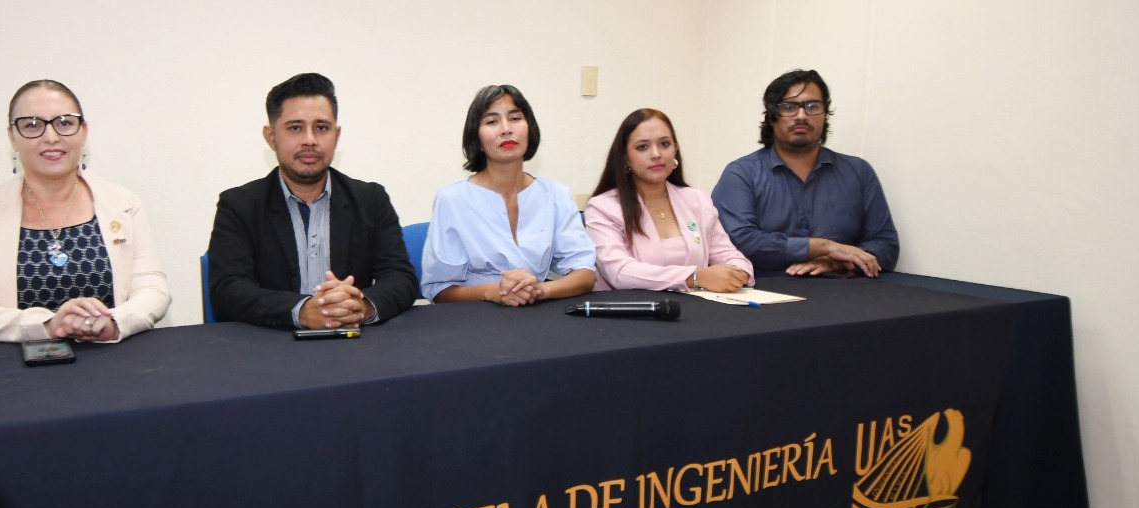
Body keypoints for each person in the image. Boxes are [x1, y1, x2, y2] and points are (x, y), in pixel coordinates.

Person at [0, 80, 171, 342]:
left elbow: (153, 290)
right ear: (12, 136)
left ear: (84, 131)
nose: (51, 137)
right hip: (17, 360)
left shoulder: (124, 203)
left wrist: (114, 322)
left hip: (111, 356)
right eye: (32, 125)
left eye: (64, 123)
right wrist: (48, 325)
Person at [207, 73, 419, 329]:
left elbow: (400, 277)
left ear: (336, 135)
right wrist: (301, 311)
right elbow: (228, 289)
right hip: (272, 343)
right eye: (295, 128)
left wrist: (362, 306)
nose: (310, 140)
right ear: (271, 137)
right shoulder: (239, 205)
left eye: (321, 128)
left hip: (354, 342)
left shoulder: (370, 199)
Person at [711, 69, 899, 278]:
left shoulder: (858, 172)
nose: (801, 116)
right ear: (772, 117)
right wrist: (822, 247)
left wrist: (835, 263)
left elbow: (886, 245)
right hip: (766, 289)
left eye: (812, 106)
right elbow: (739, 243)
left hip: (844, 289)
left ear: (825, 114)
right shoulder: (741, 174)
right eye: (789, 107)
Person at [420, 85, 595, 305]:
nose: (506, 129)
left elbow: (585, 273)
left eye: (515, 118)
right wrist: (493, 292)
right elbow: (439, 290)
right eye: (492, 121)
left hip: (537, 310)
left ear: (530, 128)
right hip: (476, 314)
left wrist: (538, 291)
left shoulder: (556, 195)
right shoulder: (452, 199)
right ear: (477, 138)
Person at [585, 108, 753, 293]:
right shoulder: (604, 207)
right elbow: (619, 273)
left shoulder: (697, 199)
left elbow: (728, 254)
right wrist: (695, 278)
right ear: (625, 158)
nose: (656, 154)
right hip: (634, 308)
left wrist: (739, 272)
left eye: (664, 144)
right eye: (642, 147)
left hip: (697, 307)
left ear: (675, 150)